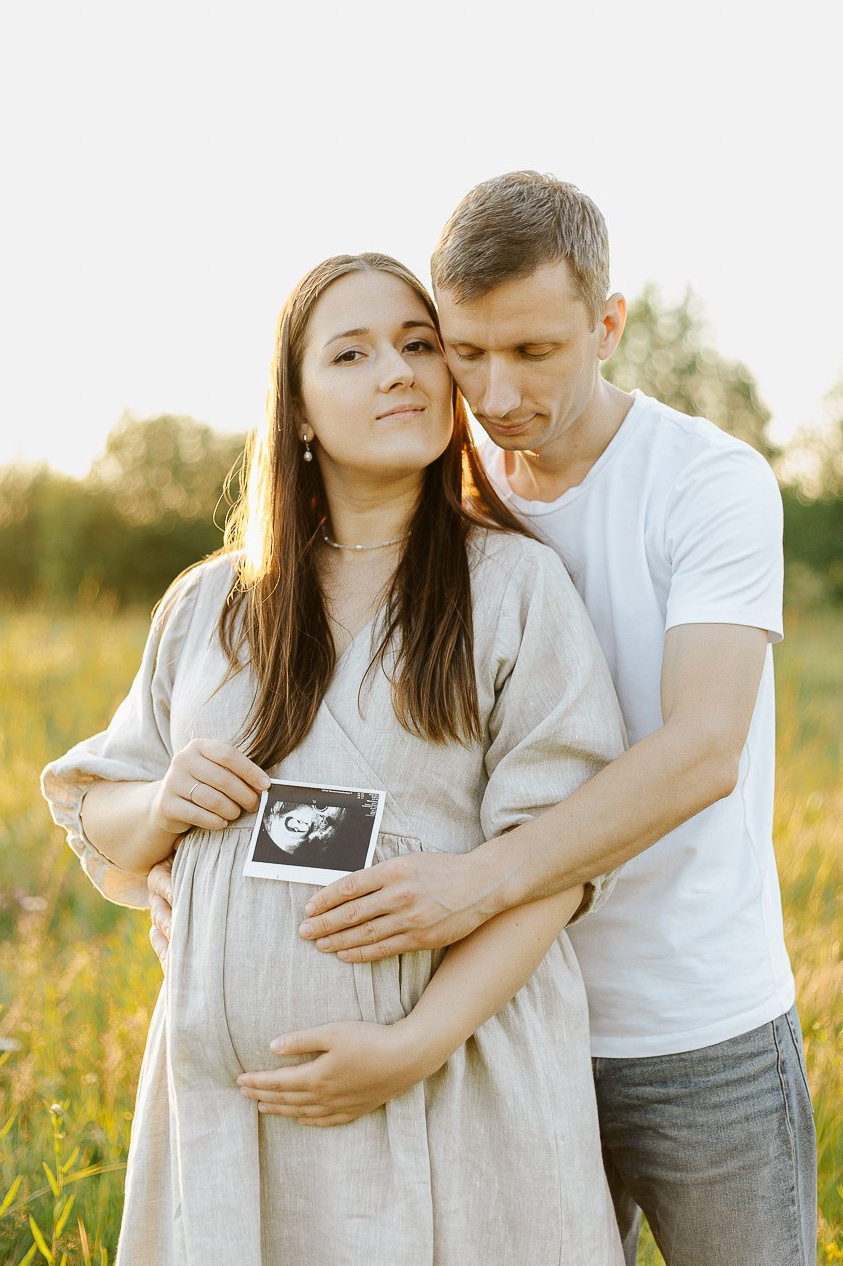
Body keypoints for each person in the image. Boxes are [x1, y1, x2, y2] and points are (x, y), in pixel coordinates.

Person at [230, 175, 814, 1266]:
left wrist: (480, 882)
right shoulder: (442, 490)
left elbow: (701, 751)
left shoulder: (707, 483)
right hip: (501, 1025)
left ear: (608, 325)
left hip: (694, 1026)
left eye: (535, 352)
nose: (495, 393)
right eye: (466, 352)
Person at [43, 251, 628, 1264]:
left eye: (416, 345)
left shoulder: (515, 587)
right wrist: (164, 803)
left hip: (452, 1084)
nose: (396, 371)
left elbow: (559, 861)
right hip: (236, 1116)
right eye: (351, 354)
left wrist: (409, 1047)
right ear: (299, 408)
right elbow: (95, 804)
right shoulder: (214, 602)